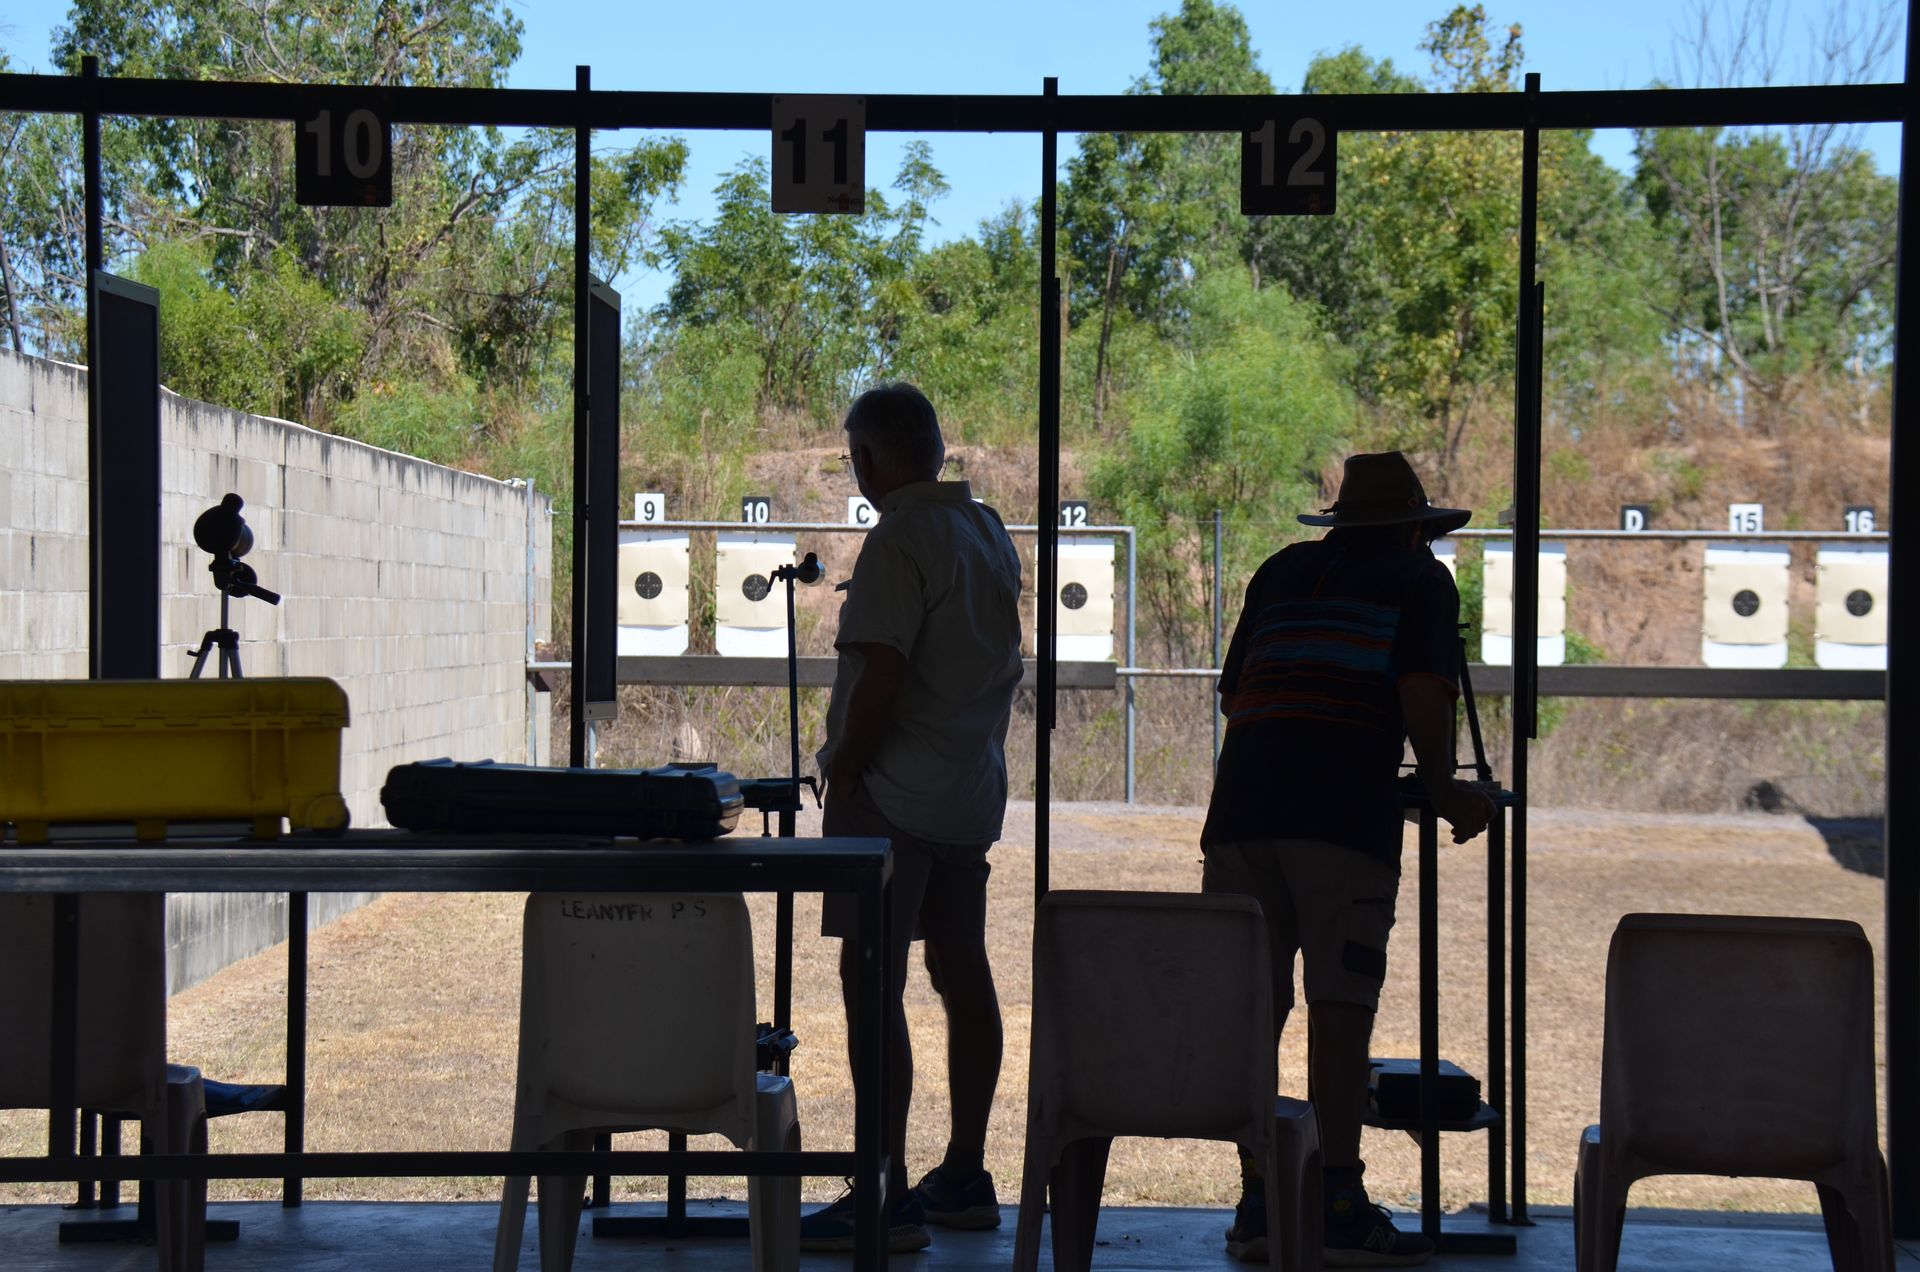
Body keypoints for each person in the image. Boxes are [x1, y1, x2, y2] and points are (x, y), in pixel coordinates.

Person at [1202, 451, 1494, 1268]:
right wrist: (1442, 786)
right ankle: (1335, 1202)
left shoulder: (1280, 571)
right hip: (1341, 821)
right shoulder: (1422, 582)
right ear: (1412, 528)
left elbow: (1235, 696)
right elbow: (1423, 690)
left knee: (1253, 1012)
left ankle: (1259, 1199)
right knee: (1339, 1010)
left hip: (1241, 814)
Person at [798, 382, 1024, 1254]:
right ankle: (964, 1172)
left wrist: (847, 762)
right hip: (967, 792)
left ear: (868, 459)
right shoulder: (986, 530)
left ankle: (883, 1189)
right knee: (961, 971)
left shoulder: (899, 538)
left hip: (892, 798)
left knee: (870, 979)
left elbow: (883, 674)